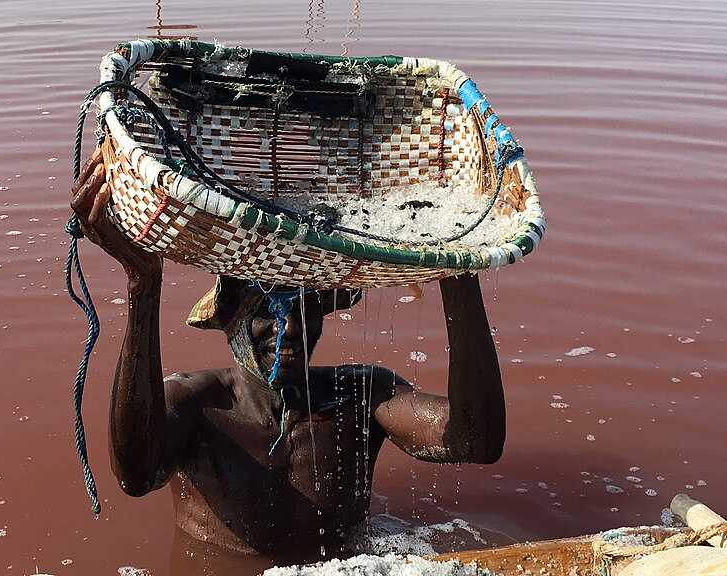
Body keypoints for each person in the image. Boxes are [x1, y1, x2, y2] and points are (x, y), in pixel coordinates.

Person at [71, 150, 506, 571]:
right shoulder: (194, 405)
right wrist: (142, 285)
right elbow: (134, 475)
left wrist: (457, 272)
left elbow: (475, 440)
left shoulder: (361, 396)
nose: (292, 329)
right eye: (267, 311)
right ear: (229, 320)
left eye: (306, 306)